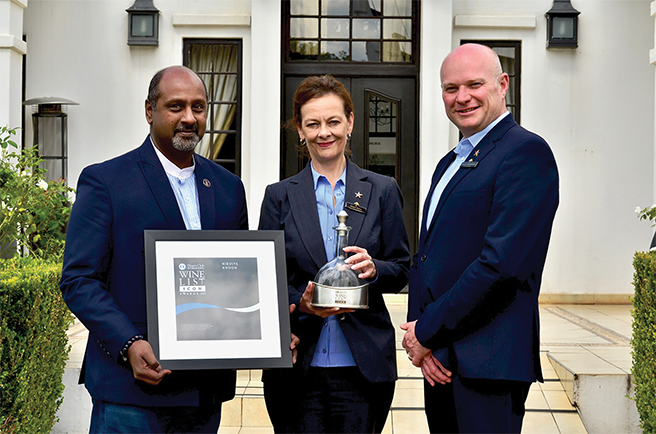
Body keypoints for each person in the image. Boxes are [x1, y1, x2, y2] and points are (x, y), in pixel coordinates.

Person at [59, 66, 249, 433]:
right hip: (130, 391)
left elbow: (238, 278)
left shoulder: (228, 187)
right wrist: (129, 343)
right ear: (150, 110)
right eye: (176, 106)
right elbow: (79, 280)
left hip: (203, 394)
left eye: (198, 107)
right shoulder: (107, 181)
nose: (189, 117)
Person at [401, 43, 559, 434]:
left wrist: (426, 329)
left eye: (474, 84)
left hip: (488, 362)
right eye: (451, 88)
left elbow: (501, 266)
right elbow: (430, 256)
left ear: (503, 84)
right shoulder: (451, 161)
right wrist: (421, 335)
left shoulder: (525, 152)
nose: (462, 97)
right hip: (442, 356)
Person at [259, 74, 411, 434]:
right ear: (300, 129)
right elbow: (265, 279)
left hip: (364, 368)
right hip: (297, 364)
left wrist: (375, 269)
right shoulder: (279, 196)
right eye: (312, 124)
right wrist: (301, 301)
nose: (323, 132)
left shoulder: (382, 190)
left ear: (350, 123)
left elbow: (402, 268)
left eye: (333, 121)